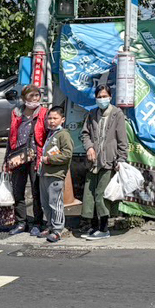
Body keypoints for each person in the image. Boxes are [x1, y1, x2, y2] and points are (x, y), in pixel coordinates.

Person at [80, 84, 129, 239]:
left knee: (102, 194)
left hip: (109, 161)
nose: (102, 99)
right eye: (99, 97)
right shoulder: (92, 114)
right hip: (93, 161)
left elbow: (122, 139)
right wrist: (89, 148)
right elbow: (85, 134)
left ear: (110, 96)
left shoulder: (117, 114)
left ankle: (103, 228)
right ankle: (93, 226)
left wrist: (121, 158)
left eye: (104, 96)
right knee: (90, 194)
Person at [5, 84, 48, 237]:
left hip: (36, 156)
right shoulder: (17, 113)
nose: (35, 99)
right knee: (18, 191)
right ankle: (21, 222)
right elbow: (11, 137)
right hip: (18, 156)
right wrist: (6, 160)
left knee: (36, 192)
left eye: (37, 96)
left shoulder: (44, 113)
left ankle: (37, 222)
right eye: (31, 96)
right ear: (24, 98)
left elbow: (48, 135)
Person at [39, 106, 74, 243]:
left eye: (55, 118)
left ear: (62, 120)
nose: (52, 121)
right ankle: (50, 226)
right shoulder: (50, 134)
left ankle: (58, 229)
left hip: (56, 174)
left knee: (55, 203)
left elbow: (67, 154)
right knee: (45, 203)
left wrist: (49, 159)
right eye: (49, 118)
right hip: (44, 173)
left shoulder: (63, 134)